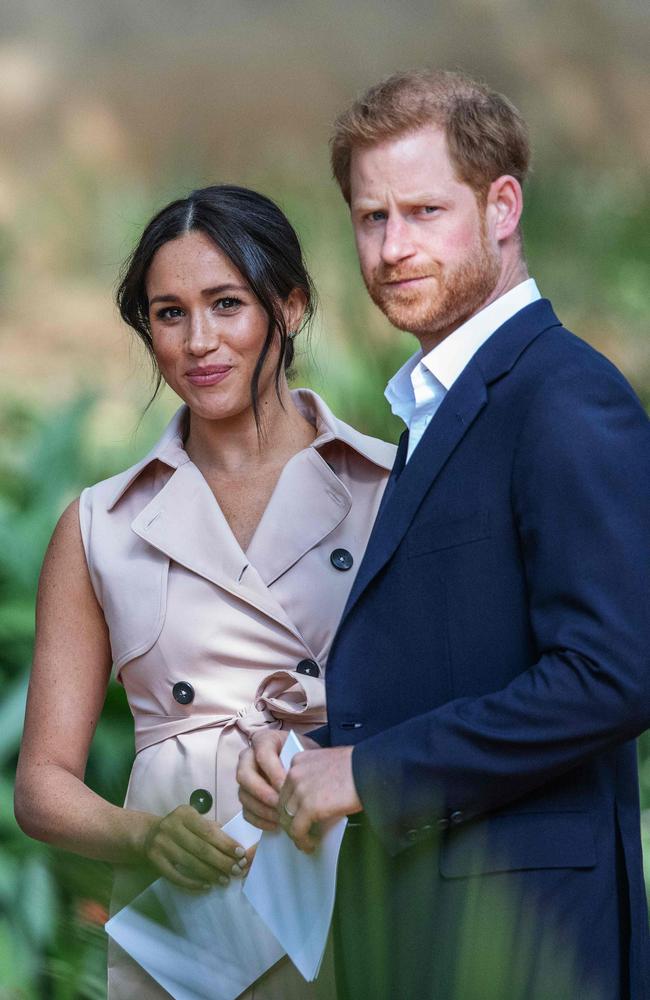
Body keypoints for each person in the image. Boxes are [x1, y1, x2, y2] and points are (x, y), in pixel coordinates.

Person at [237, 71, 650, 999]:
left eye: (425, 211)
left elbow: (616, 673)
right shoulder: (436, 412)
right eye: (372, 218)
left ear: (502, 206)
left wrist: (371, 775)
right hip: (425, 931)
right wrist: (315, 762)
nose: (392, 248)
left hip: (530, 946)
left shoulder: (566, 399)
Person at [14, 184, 395, 999]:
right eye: (168, 313)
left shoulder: (391, 489)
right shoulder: (99, 526)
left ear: (289, 309)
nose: (199, 342)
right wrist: (144, 836)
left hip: (356, 881)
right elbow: (42, 785)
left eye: (227, 304)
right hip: (189, 927)